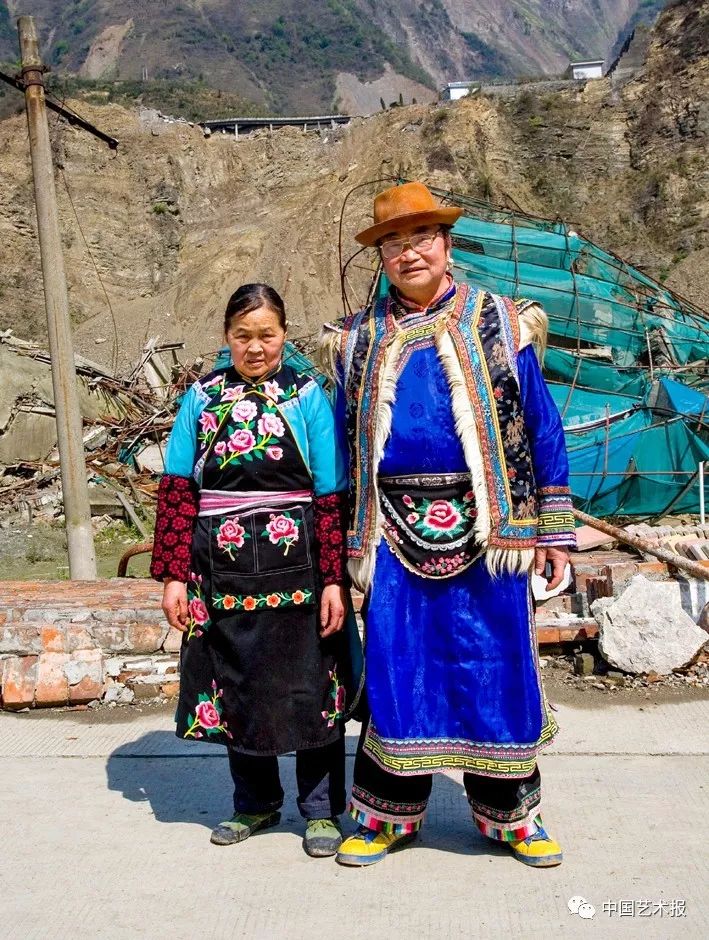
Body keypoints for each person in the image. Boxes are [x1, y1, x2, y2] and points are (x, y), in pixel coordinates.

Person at [320, 182, 576, 868]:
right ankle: (384, 817)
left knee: (496, 665)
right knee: (398, 669)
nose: (409, 253)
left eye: (420, 238)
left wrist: (552, 530)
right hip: (391, 533)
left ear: (445, 244)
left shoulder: (501, 321)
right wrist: (336, 552)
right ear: (380, 257)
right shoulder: (354, 340)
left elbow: (539, 425)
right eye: (394, 243)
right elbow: (339, 455)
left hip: (491, 531)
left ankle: (512, 817)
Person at [150, 283, 354, 858]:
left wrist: (334, 578)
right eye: (243, 336)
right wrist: (173, 575)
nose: (256, 347)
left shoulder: (307, 395)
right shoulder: (202, 398)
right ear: (226, 338)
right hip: (222, 571)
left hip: (301, 566)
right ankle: (254, 803)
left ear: (285, 335)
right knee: (236, 680)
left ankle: (319, 810)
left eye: (267, 335)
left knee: (312, 685)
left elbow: (331, 491)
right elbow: (177, 489)